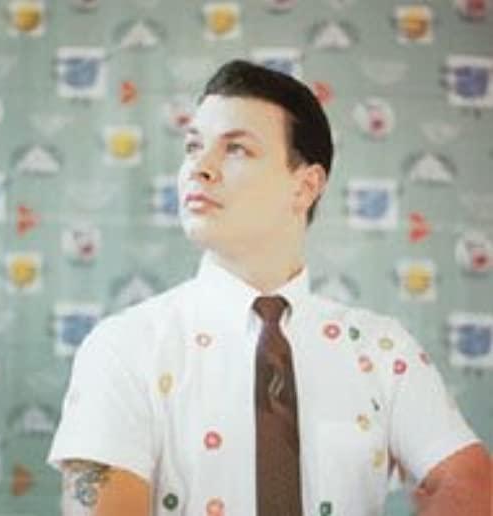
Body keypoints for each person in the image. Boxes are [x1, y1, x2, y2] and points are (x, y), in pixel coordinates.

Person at [47, 60, 491, 516]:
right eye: (193, 146)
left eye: (236, 149)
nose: (199, 167)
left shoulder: (382, 349)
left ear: (305, 187)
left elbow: (473, 484)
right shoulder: (124, 348)